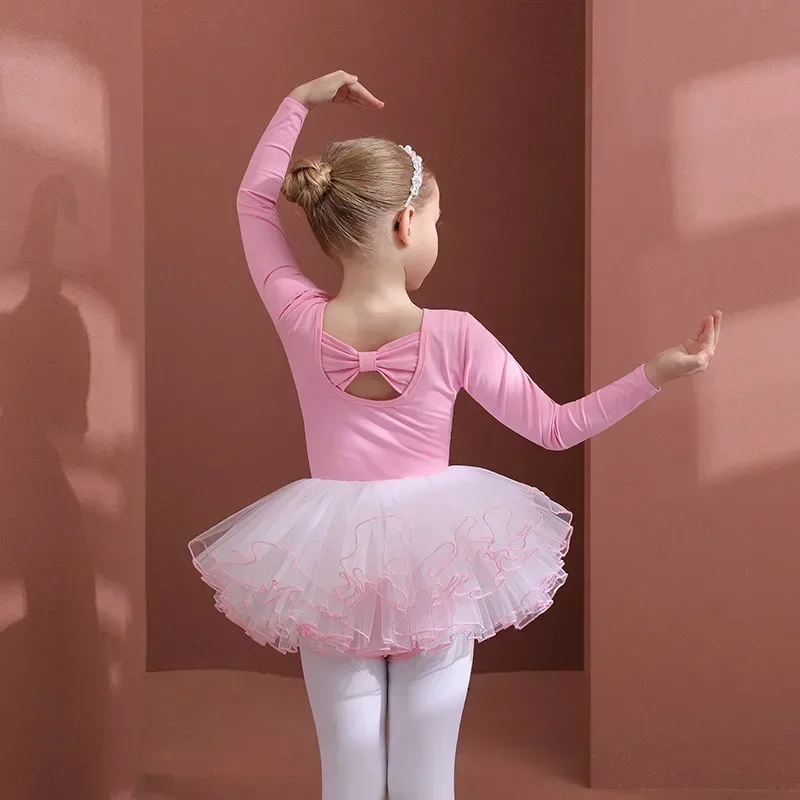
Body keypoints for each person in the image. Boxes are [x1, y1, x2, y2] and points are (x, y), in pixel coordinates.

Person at [188, 70, 721, 800]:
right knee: (426, 773)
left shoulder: (299, 319)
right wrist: (654, 374)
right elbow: (558, 429)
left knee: (345, 771)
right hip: (435, 561)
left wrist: (296, 103)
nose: (437, 234)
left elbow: (253, 203)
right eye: (437, 220)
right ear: (405, 224)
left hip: (329, 560)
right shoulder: (454, 336)